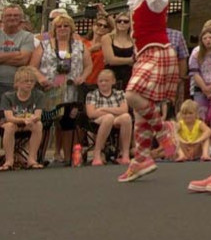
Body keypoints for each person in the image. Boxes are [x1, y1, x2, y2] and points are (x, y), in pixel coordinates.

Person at [106, 0, 183, 181]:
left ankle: (164, 129)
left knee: (131, 96)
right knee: (140, 114)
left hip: (157, 51)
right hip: (144, 55)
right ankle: (141, 160)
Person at [32, 12, 90, 166]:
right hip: (49, 89)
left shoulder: (80, 45)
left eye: (66, 26)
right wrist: (40, 78)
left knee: (68, 122)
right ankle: (39, 157)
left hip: (71, 89)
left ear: (71, 28)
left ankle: (68, 157)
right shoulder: (44, 44)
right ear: (54, 28)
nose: (62, 29)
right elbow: (33, 66)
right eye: (59, 26)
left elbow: (88, 65)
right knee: (46, 122)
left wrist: (83, 77)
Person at [2, 66, 49, 169]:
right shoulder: (8, 96)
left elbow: (38, 115)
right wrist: (23, 120)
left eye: (31, 81)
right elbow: (9, 117)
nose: (29, 83)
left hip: (30, 123)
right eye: (25, 81)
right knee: (9, 126)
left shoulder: (39, 95)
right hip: (13, 123)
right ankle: (9, 161)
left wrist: (31, 119)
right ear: (17, 83)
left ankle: (31, 159)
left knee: (38, 125)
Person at [84, 69, 132, 165]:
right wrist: (114, 111)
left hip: (115, 119)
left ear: (113, 81)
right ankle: (97, 154)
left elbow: (124, 110)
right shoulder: (92, 94)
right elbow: (91, 113)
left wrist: (103, 109)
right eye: (101, 81)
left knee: (126, 117)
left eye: (106, 81)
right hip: (97, 121)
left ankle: (124, 154)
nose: (103, 83)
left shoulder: (120, 94)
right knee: (108, 117)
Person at [187, 23, 211, 135]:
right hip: (200, 89)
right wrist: (205, 88)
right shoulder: (196, 54)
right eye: (205, 38)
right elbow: (194, 72)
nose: (208, 40)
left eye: (210, 37)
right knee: (201, 114)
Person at [0, 5, 36, 99]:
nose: (12, 18)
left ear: (21, 19)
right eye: (9, 15)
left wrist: (2, 57)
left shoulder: (27, 36)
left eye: (16, 15)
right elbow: (19, 57)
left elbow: (23, 60)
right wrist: (16, 54)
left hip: (16, 85)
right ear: (2, 18)